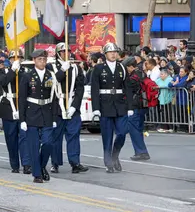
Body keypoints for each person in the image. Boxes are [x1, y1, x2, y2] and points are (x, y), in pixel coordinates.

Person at [90, 43, 133, 173]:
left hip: (120, 105)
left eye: (115, 52)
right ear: (105, 54)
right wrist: (95, 108)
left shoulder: (122, 68)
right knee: (107, 136)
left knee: (121, 133)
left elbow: (127, 88)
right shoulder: (98, 69)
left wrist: (130, 106)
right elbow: (94, 89)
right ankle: (108, 159)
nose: (113, 54)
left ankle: (115, 155)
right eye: (110, 52)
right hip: (105, 105)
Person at [49, 43, 88, 174]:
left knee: (74, 135)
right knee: (56, 137)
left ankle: (75, 162)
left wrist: (74, 106)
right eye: (63, 51)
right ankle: (55, 163)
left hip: (71, 104)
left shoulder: (76, 68)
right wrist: (61, 71)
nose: (67, 53)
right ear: (58, 53)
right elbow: (52, 82)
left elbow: (80, 88)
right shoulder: (51, 66)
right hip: (56, 106)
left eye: (68, 51)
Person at [19, 49, 55, 183]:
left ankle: (41, 165)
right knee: (33, 146)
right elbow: (22, 99)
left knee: (48, 142)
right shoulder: (27, 76)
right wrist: (22, 119)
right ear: (34, 60)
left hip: (46, 112)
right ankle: (37, 174)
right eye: (40, 59)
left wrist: (55, 118)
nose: (42, 62)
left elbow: (54, 97)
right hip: (31, 113)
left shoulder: (51, 75)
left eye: (44, 59)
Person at [0, 50, 31, 174]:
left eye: (19, 58)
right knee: (11, 139)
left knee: (25, 137)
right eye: (13, 58)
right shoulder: (3, 71)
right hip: (8, 108)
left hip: (22, 106)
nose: (16, 60)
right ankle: (15, 164)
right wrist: (12, 71)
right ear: (9, 60)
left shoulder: (26, 72)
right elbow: (3, 82)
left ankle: (27, 164)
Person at [122, 56, 151, 161]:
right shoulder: (141, 74)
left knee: (134, 129)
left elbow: (127, 89)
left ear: (130, 67)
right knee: (138, 129)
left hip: (135, 106)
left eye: (126, 68)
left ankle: (141, 152)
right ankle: (141, 151)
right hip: (142, 105)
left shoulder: (133, 77)